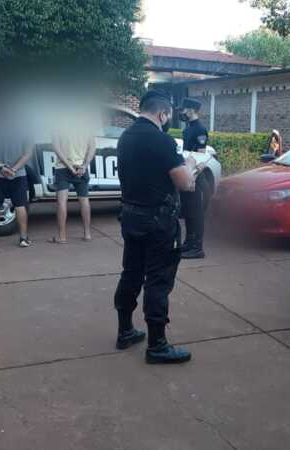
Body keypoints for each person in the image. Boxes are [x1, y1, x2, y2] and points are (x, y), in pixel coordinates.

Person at [113, 90, 199, 364]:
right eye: (168, 116)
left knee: (131, 273)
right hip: (158, 221)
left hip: (131, 215)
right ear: (162, 114)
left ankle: (125, 330)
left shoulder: (126, 137)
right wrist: (190, 164)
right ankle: (157, 345)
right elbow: (185, 183)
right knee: (158, 280)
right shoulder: (162, 141)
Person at [0, 116, 35, 248]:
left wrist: (1, 167)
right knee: (20, 205)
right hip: (19, 174)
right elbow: (28, 153)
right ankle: (23, 238)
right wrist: (14, 169)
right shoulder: (26, 130)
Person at [50, 113, 96, 243]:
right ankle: (87, 234)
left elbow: (56, 148)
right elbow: (92, 147)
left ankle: (62, 237)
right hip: (81, 168)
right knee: (84, 200)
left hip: (63, 168)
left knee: (62, 202)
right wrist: (85, 165)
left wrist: (69, 167)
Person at [178, 97, 209, 259]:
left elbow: (200, 156)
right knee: (188, 211)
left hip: (196, 177)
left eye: (184, 109)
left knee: (196, 213)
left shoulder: (200, 129)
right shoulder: (188, 128)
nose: (182, 112)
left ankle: (197, 247)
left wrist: (192, 177)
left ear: (191, 110)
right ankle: (189, 243)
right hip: (188, 173)